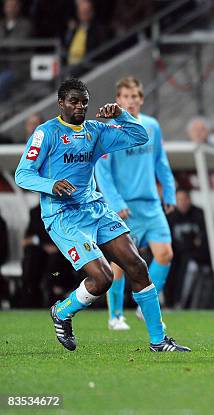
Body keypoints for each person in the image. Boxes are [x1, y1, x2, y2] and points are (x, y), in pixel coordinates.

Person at [14, 78, 189, 352]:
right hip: (63, 216)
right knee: (103, 278)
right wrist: (51, 185)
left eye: (84, 101)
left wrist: (122, 115)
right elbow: (22, 174)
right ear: (61, 103)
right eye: (73, 101)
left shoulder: (95, 131)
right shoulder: (45, 133)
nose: (80, 106)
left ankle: (158, 340)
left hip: (94, 209)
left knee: (138, 266)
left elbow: (140, 137)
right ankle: (62, 312)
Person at [95, 76, 176, 331]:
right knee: (119, 264)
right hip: (123, 206)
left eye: (134, 97)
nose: (130, 102)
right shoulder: (109, 130)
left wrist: (170, 193)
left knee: (165, 254)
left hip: (151, 204)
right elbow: (102, 170)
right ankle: (116, 316)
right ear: (118, 100)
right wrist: (116, 202)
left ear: (141, 99)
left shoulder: (151, 126)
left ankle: (144, 303)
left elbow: (160, 161)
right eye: (125, 97)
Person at [166, 189, 214, 309]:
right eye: (179, 200)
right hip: (176, 256)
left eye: (184, 199)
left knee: (190, 266)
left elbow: (206, 240)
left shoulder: (199, 214)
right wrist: (189, 243)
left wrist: (189, 245)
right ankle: (170, 302)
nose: (182, 203)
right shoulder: (171, 217)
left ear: (190, 200)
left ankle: (183, 303)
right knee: (168, 267)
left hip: (196, 257)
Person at [20, 204, 77, 308]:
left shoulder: (66, 209)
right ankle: (30, 293)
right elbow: (26, 241)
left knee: (54, 269)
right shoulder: (35, 212)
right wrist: (43, 245)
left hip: (62, 253)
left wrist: (57, 247)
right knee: (32, 257)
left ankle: (55, 292)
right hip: (41, 254)